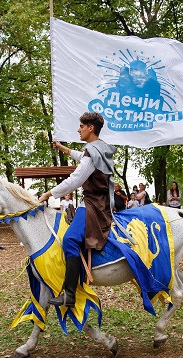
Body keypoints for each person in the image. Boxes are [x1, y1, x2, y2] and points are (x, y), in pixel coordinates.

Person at [38, 112, 116, 307]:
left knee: (70, 239)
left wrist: (49, 194)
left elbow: (75, 179)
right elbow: (81, 156)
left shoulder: (92, 153)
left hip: (93, 205)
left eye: (81, 126)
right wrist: (63, 148)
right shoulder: (100, 149)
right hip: (101, 201)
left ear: (91, 128)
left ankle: (70, 294)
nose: (78, 129)